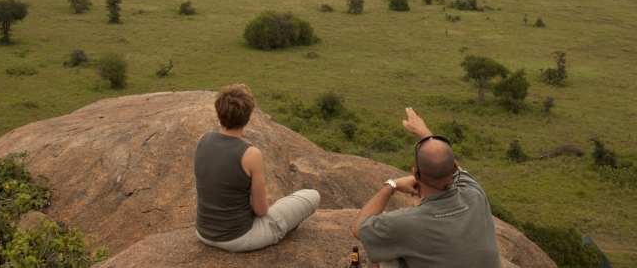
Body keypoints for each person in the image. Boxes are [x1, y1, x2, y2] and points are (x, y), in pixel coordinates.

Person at [351, 108, 501, 268]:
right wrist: (426, 133)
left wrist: (391, 185)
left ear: (415, 173)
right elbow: (454, 167)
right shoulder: (474, 193)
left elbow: (358, 228)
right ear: (453, 169)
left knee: (387, 256)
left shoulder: (405, 223)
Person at [194, 84, 321, 252]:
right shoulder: (250, 154)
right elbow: (261, 211)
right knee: (312, 195)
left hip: (203, 232)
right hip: (238, 238)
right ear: (248, 117)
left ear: (219, 112)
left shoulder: (203, 139)